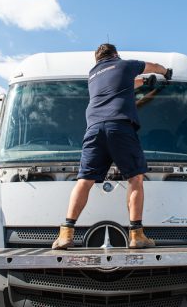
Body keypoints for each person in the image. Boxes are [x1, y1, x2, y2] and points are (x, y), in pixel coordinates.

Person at [52, 44, 172, 250]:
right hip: (119, 127)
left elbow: (121, 84)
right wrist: (165, 73)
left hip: (93, 130)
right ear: (116, 55)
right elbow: (153, 66)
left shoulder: (93, 76)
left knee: (84, 180)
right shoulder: (125, 64)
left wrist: (143, 82)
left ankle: (65, 233)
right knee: (135, 178)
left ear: (97, 60)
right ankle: (136, 235)